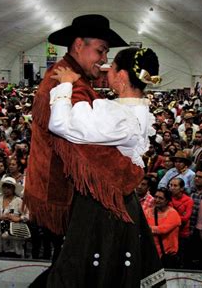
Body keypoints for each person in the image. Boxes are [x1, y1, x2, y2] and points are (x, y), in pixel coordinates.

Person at [25, 15, 165, 287]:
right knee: (72, 265)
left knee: (73, 265)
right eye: (101, 51)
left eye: (109, 59)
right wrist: (128, 175)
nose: (103, 62)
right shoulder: (68, 82)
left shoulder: (78, 82)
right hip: (66, 192)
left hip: (78, 193)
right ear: (79, 45)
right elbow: (81, 144)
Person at [0, 177, 28, 257]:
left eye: (9, 187)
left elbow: (28, 215)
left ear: (13, 189)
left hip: (13, 237)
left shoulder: (19, 201)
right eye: (4, 186)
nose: (6, 189)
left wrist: (18, 218)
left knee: (12, 256)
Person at [144, 188, 181, 268]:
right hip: (150, 254)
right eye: (156, 197)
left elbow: (163, 229)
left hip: (166, 256)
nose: (157, 200)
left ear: (167, 200)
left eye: (161, 198)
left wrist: (146, 229)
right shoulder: (147, 212)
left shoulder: (173, 214)